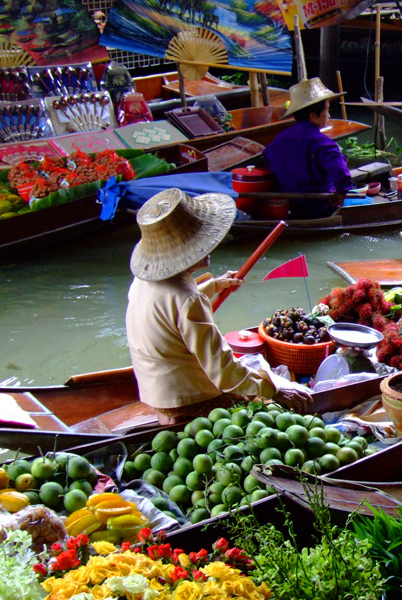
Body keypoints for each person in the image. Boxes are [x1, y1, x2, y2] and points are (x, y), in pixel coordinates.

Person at [125, 188, 312, 425]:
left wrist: (214, 285)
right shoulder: (187, 299)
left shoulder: (144, 279)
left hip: (153, 389)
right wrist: (274, 390)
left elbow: (167, 309)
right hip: (186, 398)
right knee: (262, 408)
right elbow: (224, 373)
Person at [263, 77, 354, 220]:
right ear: (313, 116)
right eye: (327, 110)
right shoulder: (324, 143)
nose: (329, 115)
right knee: (367, 202)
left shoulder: (279, 139)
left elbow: (268, 160)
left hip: (290, 206)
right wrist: (340, 194)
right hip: (319, 207)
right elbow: (342, 175)